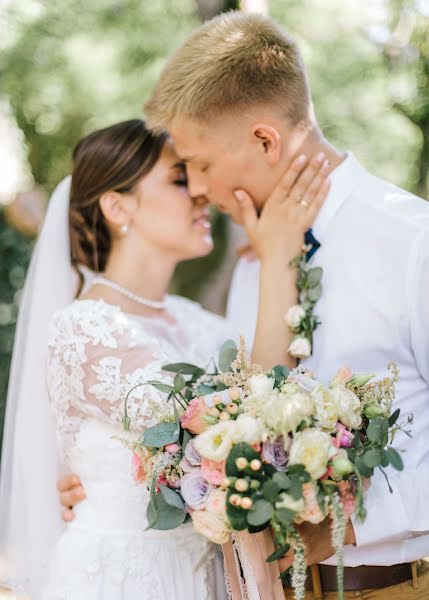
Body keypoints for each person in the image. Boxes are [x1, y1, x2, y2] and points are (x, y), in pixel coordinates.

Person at [141, 10, 429, 599]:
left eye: (200, 164)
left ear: (265, 140)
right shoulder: (255, 264)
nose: (197, 188)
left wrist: (346, 517)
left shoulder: (411, 242)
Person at [0, 117, 328, 600]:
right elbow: (242, 428)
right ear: (117, 206)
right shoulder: (86, 328)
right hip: (123, 581)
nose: (200, 192)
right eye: (180, 178)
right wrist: (278, 253)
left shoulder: (196, 320)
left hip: (206, 579)